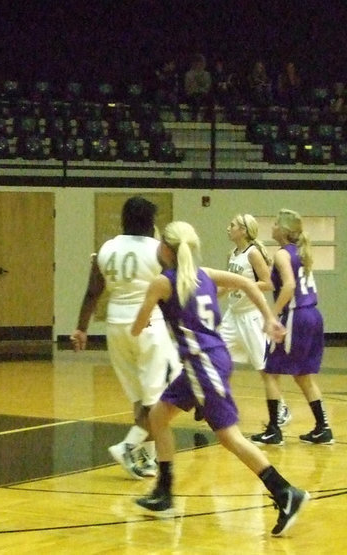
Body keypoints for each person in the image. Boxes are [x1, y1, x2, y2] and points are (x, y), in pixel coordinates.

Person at [131, 221, 309, 537]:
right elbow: (250, 284)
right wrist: (269, 318)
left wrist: (141, 321)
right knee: (158, 416)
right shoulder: (206, 275)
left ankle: (285, 492)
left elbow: (137, 326)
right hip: (207, 361)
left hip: (203, 366)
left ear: (166, 249)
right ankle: (164, 491)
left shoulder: (162, 282)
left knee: (230, 437)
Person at [72, 196, 180, 479]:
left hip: (115, 325)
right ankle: (129, 446)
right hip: (147, 324)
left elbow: (93, 291)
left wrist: (81, 328)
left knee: (141, 395)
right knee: (164, 393)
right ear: (151, 222)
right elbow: (172, 290)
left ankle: (146, 458)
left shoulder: (106, 248)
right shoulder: (158, 250)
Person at [252, 208, 334, 446]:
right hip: (313, 315)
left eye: (275, 223)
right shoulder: (300, 252)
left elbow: (288, 286)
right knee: (303, 375)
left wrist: (273, 315)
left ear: (284, 230)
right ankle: (323, 428)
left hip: (296, 316)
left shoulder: (282, 254)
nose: (272, 226)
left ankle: (274, 430)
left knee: (270, 372)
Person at [220, 214, 291, 437]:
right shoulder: (232, 253)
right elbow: (228, 285)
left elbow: (268, 283)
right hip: (232, 315)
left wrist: (244, 285)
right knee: (216, 358)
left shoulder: (252, 252)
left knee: (264, 369)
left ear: (243, 230)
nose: (228, 228)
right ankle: (215, 403)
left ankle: (281, 408)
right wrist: (210, 295)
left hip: (251, 317)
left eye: (232, 225)